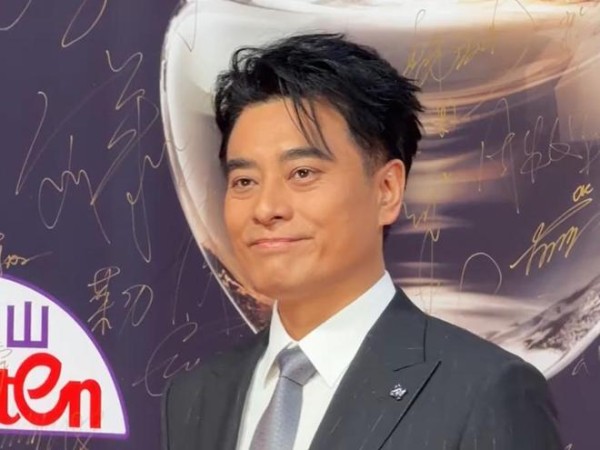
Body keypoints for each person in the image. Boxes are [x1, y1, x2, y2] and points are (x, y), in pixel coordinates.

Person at [161, 32, 563, 450]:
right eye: (244, 181)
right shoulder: (195, 397)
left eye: (302, 173)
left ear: (386, 190)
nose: (266, 208)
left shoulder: (483, 391)